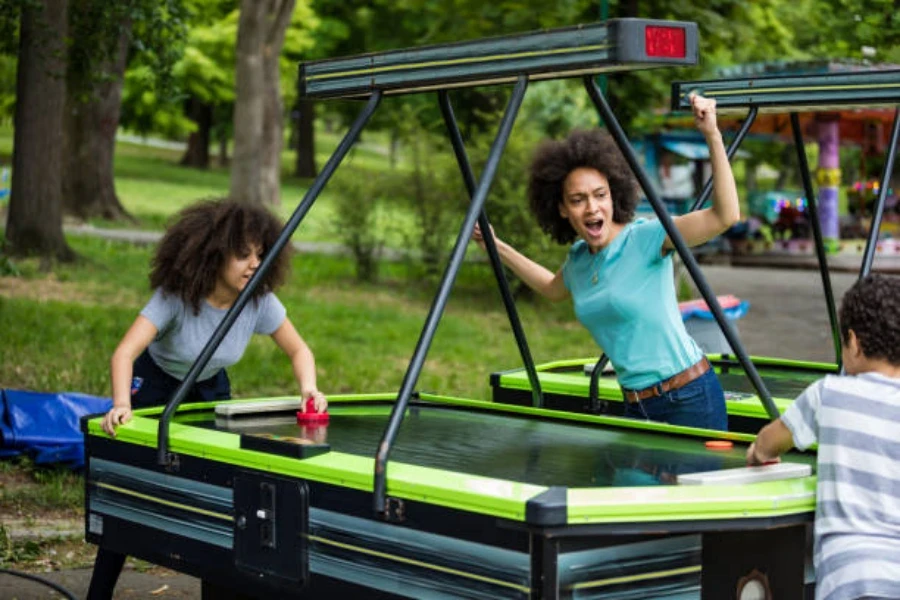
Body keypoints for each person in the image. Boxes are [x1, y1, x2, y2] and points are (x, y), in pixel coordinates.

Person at [89, 199, 327, 599]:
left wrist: (309, 387)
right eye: (242, 254)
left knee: (218, 494)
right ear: (214, 254)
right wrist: (121, 405)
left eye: (260, 254)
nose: (254, 264)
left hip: (210, 386)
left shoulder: (259, 300)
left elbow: (299, 350)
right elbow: (124, 353)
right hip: (156, 381)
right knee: (129, 488)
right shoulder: (176, 297)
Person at [472, 94, 738, 431]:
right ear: (561, 209)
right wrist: (496, 246)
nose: (592, 208)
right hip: (635, 404)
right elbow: (552, 289)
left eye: (600, 195)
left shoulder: (647, 239)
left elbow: (724, 216)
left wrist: (712, 135)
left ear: (614, 196)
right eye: (578, 200)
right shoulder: (580, 260)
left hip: (689, 397)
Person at [747, 273, 900, 600]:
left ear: (854, 343)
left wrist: (757, 454)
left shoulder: (830, 393)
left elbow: (768, 442)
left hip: (849, 576)